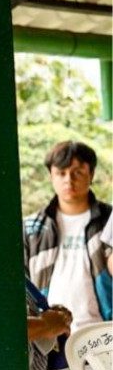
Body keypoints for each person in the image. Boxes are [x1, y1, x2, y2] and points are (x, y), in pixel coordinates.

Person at [23, 141, 112, 331]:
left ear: (91, 174)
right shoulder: (32, 228)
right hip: (50, 335)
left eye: (77, 172)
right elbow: (23, 285)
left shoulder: (108, 221)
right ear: (51, 176)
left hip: (103, 332)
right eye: (61, 173)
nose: (68, 180)